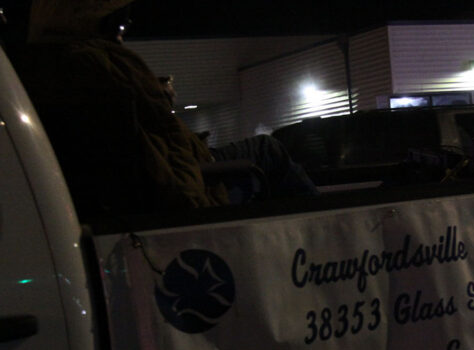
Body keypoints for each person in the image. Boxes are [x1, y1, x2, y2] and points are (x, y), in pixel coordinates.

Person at [16, 0, 316, 218]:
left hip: (130, 190)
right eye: (119, 24)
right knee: (268, 149)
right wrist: (161, 97)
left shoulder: (38, 70)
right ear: (93, 22)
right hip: (178, 181)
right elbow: (164, 141)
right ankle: (322, 231)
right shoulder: (104, 64)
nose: (122, 33)